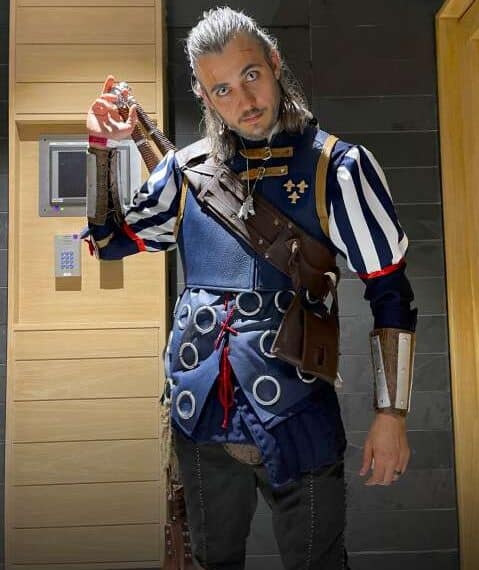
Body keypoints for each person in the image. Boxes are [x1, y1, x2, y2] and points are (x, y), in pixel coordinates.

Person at [84, 7, 417, 570]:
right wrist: (101, 146)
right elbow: (108, 241)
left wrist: (392, 416)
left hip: (299, 418)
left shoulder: (338, 168)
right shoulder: (185, 171)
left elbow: (390, 293)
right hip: (199, 420)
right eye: (222, 89)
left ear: (275, 64)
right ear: (205, 96)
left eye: (251, 75)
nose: (244, 99)